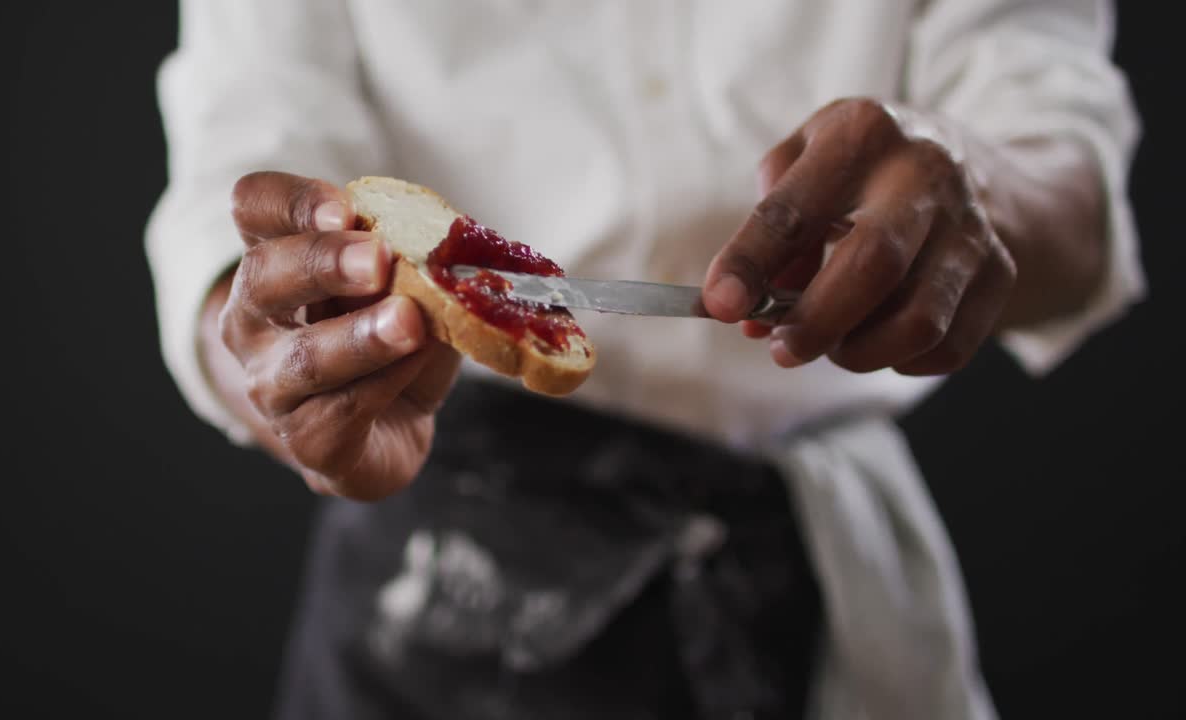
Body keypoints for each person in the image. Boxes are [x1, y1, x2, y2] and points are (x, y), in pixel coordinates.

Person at [146, 1, 1143, 718]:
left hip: (819, 559)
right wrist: (282, 358)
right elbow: (234, 175)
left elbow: (1069, 178)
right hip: (441, 572)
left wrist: (970, 188)